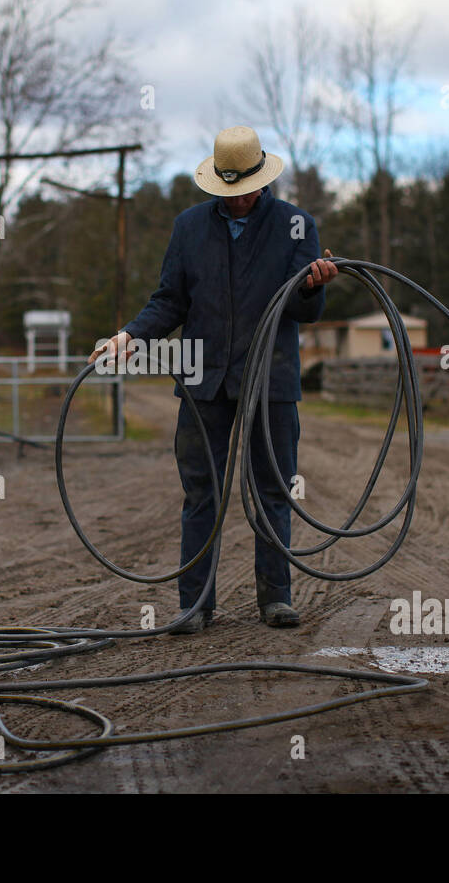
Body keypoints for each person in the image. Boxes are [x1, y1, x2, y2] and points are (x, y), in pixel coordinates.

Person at [88, 126, 337, 632]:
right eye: (227, 191)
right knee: (201, 492)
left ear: (261, 180)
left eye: (244, 189)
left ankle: (275, 597)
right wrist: (129, 335)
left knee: (273, 489)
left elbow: (303, 309)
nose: (237, 199)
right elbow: (170, 300)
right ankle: (196, 604)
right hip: (203, 377)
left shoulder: (295, 225)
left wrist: (313, 288)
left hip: (271, 376)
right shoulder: (189, 227)